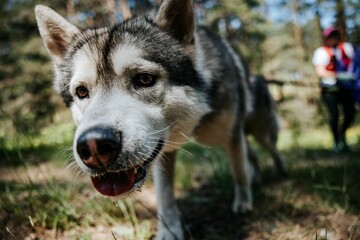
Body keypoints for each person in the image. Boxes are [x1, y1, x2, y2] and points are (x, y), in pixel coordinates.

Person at [312, 26, 356, 152]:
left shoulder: (346, 48)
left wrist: (351, 76)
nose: (333, 38)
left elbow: (355, 64)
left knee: (350, 112)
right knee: (334, 115)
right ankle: (336, 141)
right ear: (326, 38)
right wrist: (337, 75)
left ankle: (343, 135)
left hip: (346, 87)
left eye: (335, 35)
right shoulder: (321, 52)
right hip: (329, 88)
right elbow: (320, 71)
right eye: (330, 36)